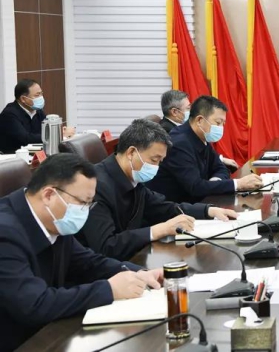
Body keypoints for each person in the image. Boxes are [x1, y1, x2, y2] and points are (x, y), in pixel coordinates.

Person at [0, 154, 163, 350]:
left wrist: (137, 273)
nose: (85, 211)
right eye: (82, 203)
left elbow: (88, 262)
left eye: (89, 204)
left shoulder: (53, 220)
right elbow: (34, 304)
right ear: (49, 195)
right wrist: (109, 289)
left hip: (45, 332)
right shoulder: (5, 233)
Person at [77, 119, 238, 261]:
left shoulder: (132, 177)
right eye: (154, 160)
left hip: (132, 259)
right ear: (131, 152)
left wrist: (208, 210)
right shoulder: (95, 187)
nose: (156, 167)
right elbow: (106, 246)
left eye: (160, 161)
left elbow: (163, 208)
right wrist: (157, 230)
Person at [148, 95, 262, 203]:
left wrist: (215, 182)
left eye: (223, 123)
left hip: (199, 201)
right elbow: (195, 187)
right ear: (200, 120)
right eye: (218, 122)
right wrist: (238, 184)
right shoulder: (179, 143)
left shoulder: (201, 136)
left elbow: (220, 167)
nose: (221, 128)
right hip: (176, 208)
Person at [160, 89, 239, 170]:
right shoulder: (166, 132)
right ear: (174, 112)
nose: (192, 111)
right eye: (188, 108)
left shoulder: (193, 129)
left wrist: (219, 161)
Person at [0, 79, 75, 154]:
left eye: (41, 94)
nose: (41, 97)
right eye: (37, 95)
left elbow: (46, 131)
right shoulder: (9, 114)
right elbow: (25, 139)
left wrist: (59, 131)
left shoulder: (38, 111)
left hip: (35, 153)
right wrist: (57, 136)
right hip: (14, 156)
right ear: (23, 99)